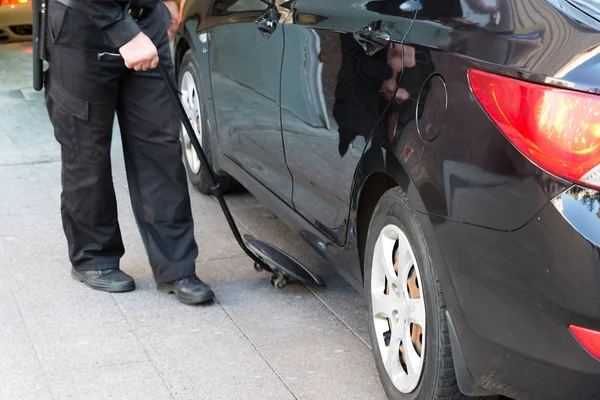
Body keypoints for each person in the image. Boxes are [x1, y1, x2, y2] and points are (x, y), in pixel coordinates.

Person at [43, 0, 215, 305]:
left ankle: (176, 267)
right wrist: (122, 32)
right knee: (87, 152)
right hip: (80, 27)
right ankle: (94, 258)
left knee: (159, 148)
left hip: (145, 25)